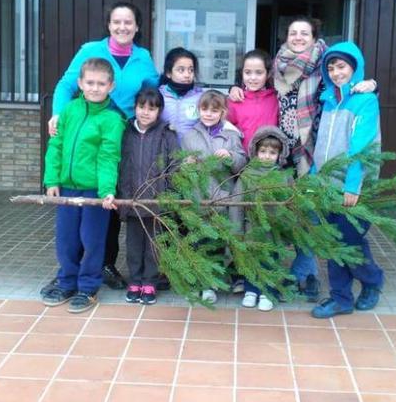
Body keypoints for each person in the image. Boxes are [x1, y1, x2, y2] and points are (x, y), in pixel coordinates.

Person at [229, 18, 378, 301]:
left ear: (314, 38)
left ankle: (305, 274)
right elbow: (254, 88)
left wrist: (370, 83)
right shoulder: (277, 68)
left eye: (304, 33)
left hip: (308, 155)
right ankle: (260, 273)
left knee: (306, 216)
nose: (298, 37)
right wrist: (234, 89)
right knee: (271, 216)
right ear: (286, 38)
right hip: (273, 152)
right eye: (293, 33)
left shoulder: (324, 68)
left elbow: (346, 84)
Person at [48, 2, 159, 291]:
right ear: (108, 25)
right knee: (81, 211)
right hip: (91, 131)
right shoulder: (90, 51)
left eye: (129, 22)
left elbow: (155, 92)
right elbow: (65, 85)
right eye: (117, 22)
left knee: (109, 200)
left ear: (137, 26)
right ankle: (74, 270)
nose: (123, 27)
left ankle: (102, 265)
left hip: (126, 135)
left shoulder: (143, 57)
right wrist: (58, 114)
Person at [40, 58, 126, 314]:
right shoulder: (69, 111)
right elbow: (56, 146)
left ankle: (88, 287)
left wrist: (106, 190)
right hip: (67, 188)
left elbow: (109, 157)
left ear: (111, 86)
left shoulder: (112, 119)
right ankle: (67, 281)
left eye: (101, 83)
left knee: (92, 240)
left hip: (94, 193)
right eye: (90, 82)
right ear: (80, 83)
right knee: (66, 239)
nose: (95, 88)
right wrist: (51, 180)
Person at [309, 41, 384, 319]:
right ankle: (341, 298)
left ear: (355, 67)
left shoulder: (365, 101)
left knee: (349, 241)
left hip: (353, 188)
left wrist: (353, 185)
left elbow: (361, 146)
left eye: (341, 66)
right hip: (327, 188)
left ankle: (373, 280)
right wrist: (314, 179)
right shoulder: (329, 101)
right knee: (333, 242)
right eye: (331, 68)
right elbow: (323, 147)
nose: (336, 72)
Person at [180, 90, 248, 304]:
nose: (208, 114)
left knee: (224, 240)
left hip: (223, 197)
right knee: (203, 242)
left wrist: (230, 157)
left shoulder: (231, 135)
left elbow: (241, 163)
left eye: (214, 110)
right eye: (204, 109)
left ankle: (226, 278)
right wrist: (186, 165)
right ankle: (206, 284)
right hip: (199, 197)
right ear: (198, 110)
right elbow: (180, 166)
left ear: (223, 112)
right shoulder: (190, 136)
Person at [116, 87, 180, 305]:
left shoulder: (166, 134)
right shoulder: (126, 132)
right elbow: (120, 165)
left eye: (151, 109)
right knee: (133, 244)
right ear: (135, 107)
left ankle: (150, 282)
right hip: (131, 198)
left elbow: (175, 165)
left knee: (153, 245)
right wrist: (121, 196)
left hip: (157, 201)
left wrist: (168, 195)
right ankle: (135, 280)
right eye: (142, 107)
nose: (145, 112)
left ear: (159, 111)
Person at [229, 126, 292, 312]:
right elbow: (237, 202)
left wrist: (286, 227)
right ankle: (251, 290)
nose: (266, 156)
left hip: (273, 230)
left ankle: (267, 292)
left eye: (272, 153)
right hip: (250, 228)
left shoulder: (283, 176)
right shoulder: (247, 175)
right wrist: (236, 229)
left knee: (270, 260)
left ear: (279, 155)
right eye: (263, 151)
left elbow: (290, 203)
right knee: (251, 260)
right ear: (255, 152)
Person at [226, 50, 279, 151]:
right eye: (247, 72)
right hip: (242, 160)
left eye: (259, 73)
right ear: (242, 73)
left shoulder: (276, 99)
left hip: (268, 159)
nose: (253, 77)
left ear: (268, 74)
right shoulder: (235, 100)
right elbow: (225, 129)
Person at [159, 47, 204, 144]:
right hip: (164, 152)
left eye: (191, 70)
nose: (187, 75)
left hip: (192, 154)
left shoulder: (201, 98)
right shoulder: (159, 96)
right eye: (181, 70)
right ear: (168, 73)